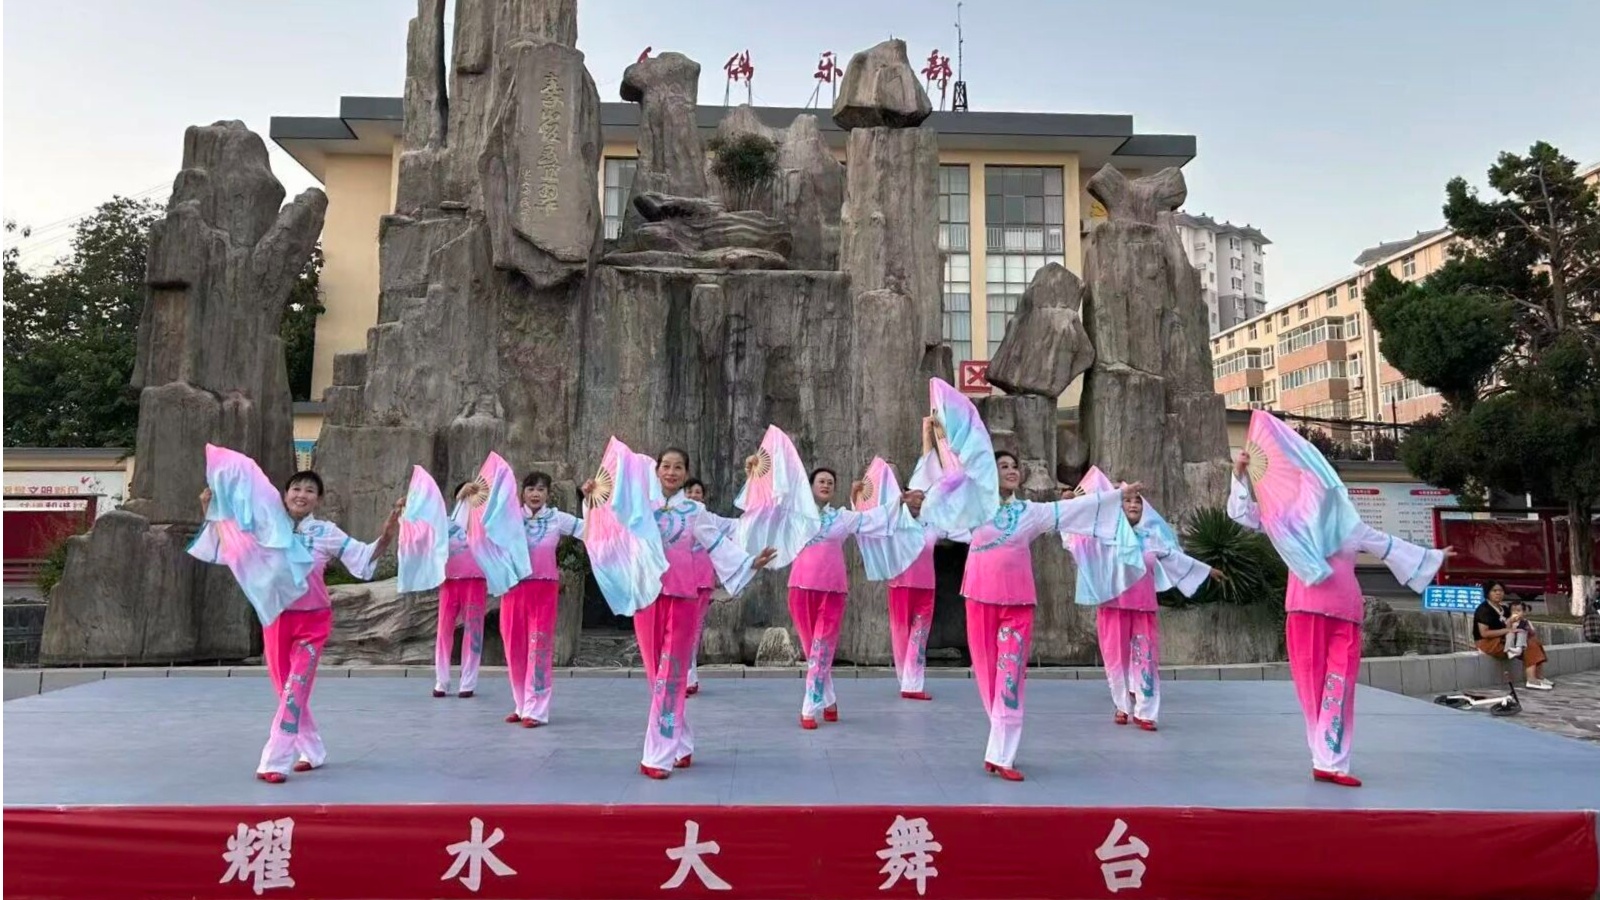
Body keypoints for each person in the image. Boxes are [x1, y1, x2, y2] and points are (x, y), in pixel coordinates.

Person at [917, 427, 1145, 782]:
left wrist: (1117, 496)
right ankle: (997, 746)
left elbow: (1071, 509)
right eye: (1003, 466)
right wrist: (934, 439)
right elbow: (942, 487)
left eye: (1014, 466)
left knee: (1010, 676)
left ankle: (1004, 754)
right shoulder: (973, 509)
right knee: (988, 676)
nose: (1011, 470)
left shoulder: (1030, 512)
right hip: (979, 599)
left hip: (1018, 604)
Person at [1229, 445, 1452, 787]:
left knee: (1340, 685)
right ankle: (1323, 759)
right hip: (1304, 611)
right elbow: (1242, 514)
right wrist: (1240, 473)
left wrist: (1433, 556)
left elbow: (1388, 546)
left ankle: (1332, 760)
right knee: (1311, 687)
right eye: (1311, 479)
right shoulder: (1287, 519)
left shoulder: (1351, 526)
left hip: (1346, 614)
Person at [586, 448, 776, 779]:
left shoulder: (694, 511)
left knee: (672, 673)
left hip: (683, 597)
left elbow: (716, 542)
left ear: (686, 474)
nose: (671, 472)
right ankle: (681, 743)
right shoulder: (640, 505)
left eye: (678, 467)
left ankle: (658, 755)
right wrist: (593, 499)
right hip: (648, 596)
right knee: (655, 676)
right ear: (656, 471)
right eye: (666, 466)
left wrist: (749, 562)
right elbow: (607, 527)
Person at [199, 471, 400, 784]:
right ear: (284, 494)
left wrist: (387, 533)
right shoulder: (266, 527)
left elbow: (362, 557)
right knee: (287, 691)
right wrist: (210, 509)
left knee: (295, 689)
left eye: (309, 490)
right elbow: (234, 549)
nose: (301, 495)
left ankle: (275, 761)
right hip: (276, 617)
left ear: (318, 499)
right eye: (296, 488)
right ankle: (313, 750)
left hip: (313, 621)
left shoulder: (325, 532)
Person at [1066, 481, 1220, 730]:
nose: (1133, 505)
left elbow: (1174, 559)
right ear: (1117, 506)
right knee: (1116, 659)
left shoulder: (1151, 538)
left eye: (1138, 501)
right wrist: (1071, 504)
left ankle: (1146, 712)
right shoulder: (1103, 536)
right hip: (1112, 607)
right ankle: (1122, 706)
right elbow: (1074, 537)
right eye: (1127, 500)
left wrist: (1205, 570)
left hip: (1143, 607)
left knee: (1146, 658)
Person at [786, 466, 904, 729]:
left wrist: (898, 501)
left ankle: (809, 707)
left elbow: (873, 519)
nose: (825, 485)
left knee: (821, 649)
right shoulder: (797, 515)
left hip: (832, 590)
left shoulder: (841, 518)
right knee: (812, 650)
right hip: (800, 588)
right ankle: (829, 700)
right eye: (821, 481)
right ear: (810, 486)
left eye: (830, 482)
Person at [502, 471, 583, 728]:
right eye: (530, 489)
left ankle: (536, 709)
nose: (535, 494)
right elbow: (479, 529)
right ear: (522, 493)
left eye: (540, 489)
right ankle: (521, 704)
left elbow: (590, 529)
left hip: (544, 589)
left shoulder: (557, 518)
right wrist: (467, 499)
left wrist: (593, 501)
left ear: (548, 493)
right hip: (514, 588)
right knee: (514, 647)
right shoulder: (510, 517)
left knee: (539, 647)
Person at [887, 489, 963, 701]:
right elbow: (869, 519)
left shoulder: (932, 524)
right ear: (904, 496)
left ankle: (913, 684)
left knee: (919, 635)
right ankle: (905, 680)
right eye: (914, 496)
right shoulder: (893, 522)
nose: (918, 501)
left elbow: (960, 531)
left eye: (922, 497)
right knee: (901, 635)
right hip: (899, 585)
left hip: (926, 587)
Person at [433, 482, 488, 699]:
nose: (469, 500)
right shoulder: (445, 524)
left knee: (473, 632)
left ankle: (468, 682)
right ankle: (442, 680)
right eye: (466, 496)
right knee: (444, 631)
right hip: (449, 582)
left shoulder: (485, 524)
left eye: (474, 496)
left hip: (475, 582)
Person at [682, 478, 734, 696]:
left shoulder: (711, 519)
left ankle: (689, 676)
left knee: (694, 628)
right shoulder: (674, 517)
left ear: (703, 497)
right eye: (689, 492)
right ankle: (683, 675)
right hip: (678, 581)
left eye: (697, 492)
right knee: (679, 628)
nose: (693, 495)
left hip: (701, 581)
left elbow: (736, 526)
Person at [1472, 581, 1552, 689]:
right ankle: (1531, 679)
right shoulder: (1483, 610)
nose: (1498, 593)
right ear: (1488, 593)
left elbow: (1512, 625)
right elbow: (1484, 633)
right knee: (1529, 645)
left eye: (1501, 590)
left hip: (1504, 638)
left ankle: (1539, 676)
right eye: (1494, 591)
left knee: (1534, 641)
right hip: (1487, 642)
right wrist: (1508, 630)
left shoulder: (1504, 609)